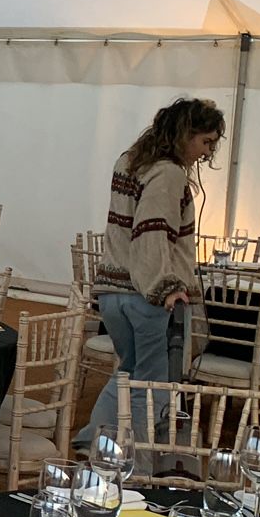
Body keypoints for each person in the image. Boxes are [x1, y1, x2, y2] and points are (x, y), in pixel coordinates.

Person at [80, 98, 226, 445]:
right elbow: (152, 232)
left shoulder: (129, 161)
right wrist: (165, 286)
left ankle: (95, 443)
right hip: (147, 297)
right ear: (184, 134)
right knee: (154, 385)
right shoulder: (168, 173)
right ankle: (141, 459)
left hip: (115, 294)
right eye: (205, 142)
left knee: (129, 374)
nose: (207, 153)